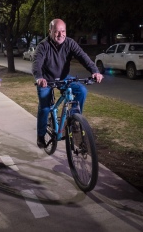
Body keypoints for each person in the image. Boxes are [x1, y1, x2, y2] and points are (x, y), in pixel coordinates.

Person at [32, 18, 104, 148]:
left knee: (81, 91)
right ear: (50, 31)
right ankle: (41, 135)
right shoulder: (43, 45)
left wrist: (95, 71)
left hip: (64, 78)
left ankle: (73, 118)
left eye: (63, 31)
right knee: (45, 107)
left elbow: (83, 57)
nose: (60, 34)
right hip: (47, 80)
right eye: (56, 31)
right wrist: (39, 78)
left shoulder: (70, 43)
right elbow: (37, 64)